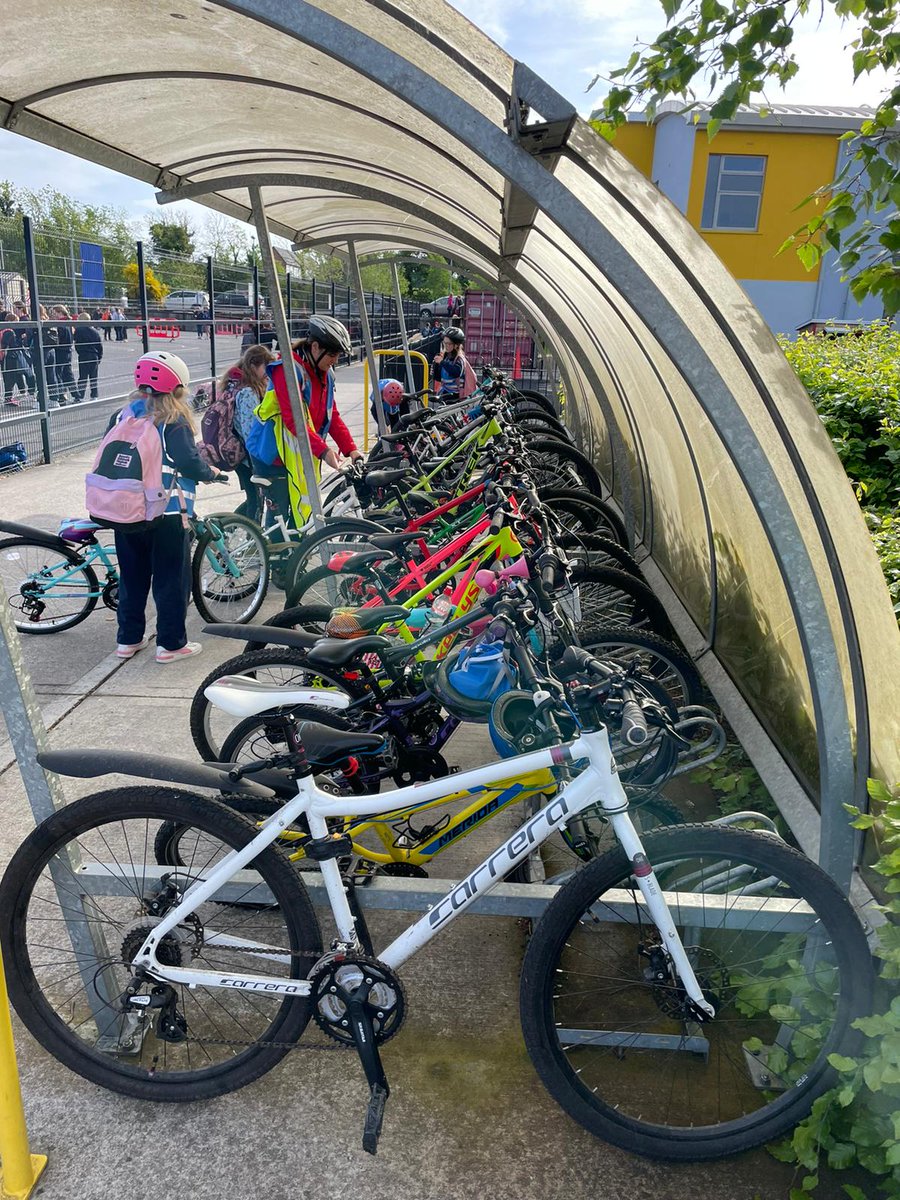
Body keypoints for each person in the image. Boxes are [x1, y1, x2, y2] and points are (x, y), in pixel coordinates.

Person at [110, 351, 219, 663]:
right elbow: (188, 462)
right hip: (167, 512)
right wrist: (210, 474)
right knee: (171, 578)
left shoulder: (123, 415)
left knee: (132, 576)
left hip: (126, 509)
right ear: (178, 388)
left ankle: (128, 640)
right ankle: (170, 645)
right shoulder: (173, 420)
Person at [254, 315, 362, 525]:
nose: (335, 360)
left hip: (301, 456)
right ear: (315, 347)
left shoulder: (324, 373)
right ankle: (272, 557)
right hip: (273, 456)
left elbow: (332, 415)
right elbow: (293, 420)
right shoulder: (288, 370)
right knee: (280, 523)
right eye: (332, 354)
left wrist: (351, 449)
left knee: (302, 517)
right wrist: (324, 451)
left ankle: (296, 554)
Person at [229, 344, 276, 521]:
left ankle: (243, 531)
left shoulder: (254, 388)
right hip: (249, 458)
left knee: (255, 501)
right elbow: (250, 433)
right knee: (255, 502)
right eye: (266, 367)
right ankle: (249, 539)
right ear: (253, 367)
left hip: (249, 457)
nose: (268, 373)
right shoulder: (248, 392)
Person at [432, 327, 477, 400]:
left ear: (456, 345)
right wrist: (436, 365)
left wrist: (442, 362)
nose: (446, 346)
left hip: (455, 396)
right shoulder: (446, 357)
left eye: (449, 344)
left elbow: (456, 372)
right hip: (445, 391)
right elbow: (438, 378)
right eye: (444, 343)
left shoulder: (459, 359)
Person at [1, 312, 32, 407]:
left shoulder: (4, 330)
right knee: (10, 378)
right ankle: (8, 398)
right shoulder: (9, 331)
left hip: (8, 357)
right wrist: (21, 340)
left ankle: (19, 391)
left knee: (13, 376)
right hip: (10, 357)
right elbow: (10, 344)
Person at [73, 312, 103, 401]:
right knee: (93, 377)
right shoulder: (95, 331)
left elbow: (77, 344)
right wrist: (99, 357)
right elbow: (100, 346)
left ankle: (80, 396)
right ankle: (94, 395)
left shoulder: (79, 330)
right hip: (94, 355)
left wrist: (80, 352)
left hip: (84, 355)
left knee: (83, 377)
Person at [52, 305, 76, 405]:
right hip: (68, 351)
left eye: (54, 313)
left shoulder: (61, 325)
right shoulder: (69, 323)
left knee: (58, 373)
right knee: (68, 374)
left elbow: (59, 339)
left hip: (61, 351)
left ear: (59, 312)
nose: (53, 315)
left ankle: (62, 395)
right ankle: (76, 394)